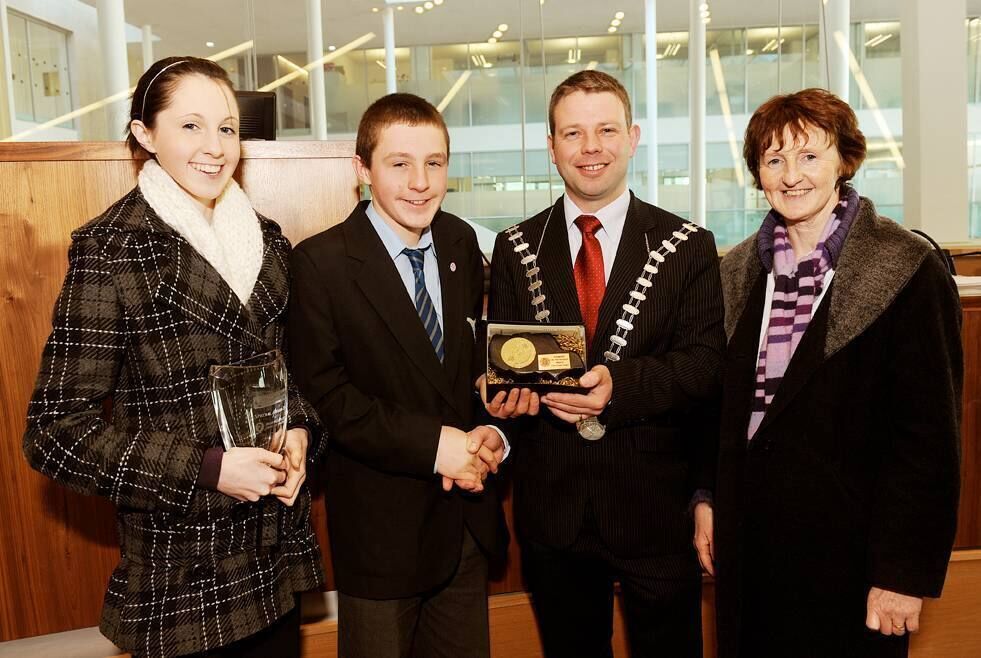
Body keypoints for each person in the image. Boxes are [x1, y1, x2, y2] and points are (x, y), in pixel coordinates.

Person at [22, 57, 324, 658]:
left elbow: (289, 377)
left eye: (228, 128)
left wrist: (298, 431)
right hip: (183, 584)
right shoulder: (112, 249)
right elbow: (55, 434)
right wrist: (209, 468)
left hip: (273, 558)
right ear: (144, 134)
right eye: (190, 126)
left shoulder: (265, 239)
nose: (214, 148)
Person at [714, 88, 962, 658]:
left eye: (809, 156)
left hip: (854, 565)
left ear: (844, 160)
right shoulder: (736, 272)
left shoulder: (907, 267)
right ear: (757, 172)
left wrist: (903, 573)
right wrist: (707, 497)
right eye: (774, 159)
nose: (791, 175)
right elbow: (724, 410)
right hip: (753, 557)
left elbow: (929, 441)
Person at [484, 70, 725, 658]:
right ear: (551, 147)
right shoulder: (515, 247)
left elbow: (704, 366)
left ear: (634, 137)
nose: (590, 147)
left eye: (606, 130)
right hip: (553, 511)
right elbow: (511, 368)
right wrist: (500, 400)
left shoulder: (687, 244)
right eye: (573, 133)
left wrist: (621, 387)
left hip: (654, 507)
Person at [288, 93, 509, 658]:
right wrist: (437, 447)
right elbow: (327, 397)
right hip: (382, 537)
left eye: (434, 163)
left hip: (465, 525)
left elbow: (469, 366)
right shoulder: (322, 263)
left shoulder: (463, 242)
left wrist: (490, 431)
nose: (420, 182)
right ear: (362, 170)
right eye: (399, 163)